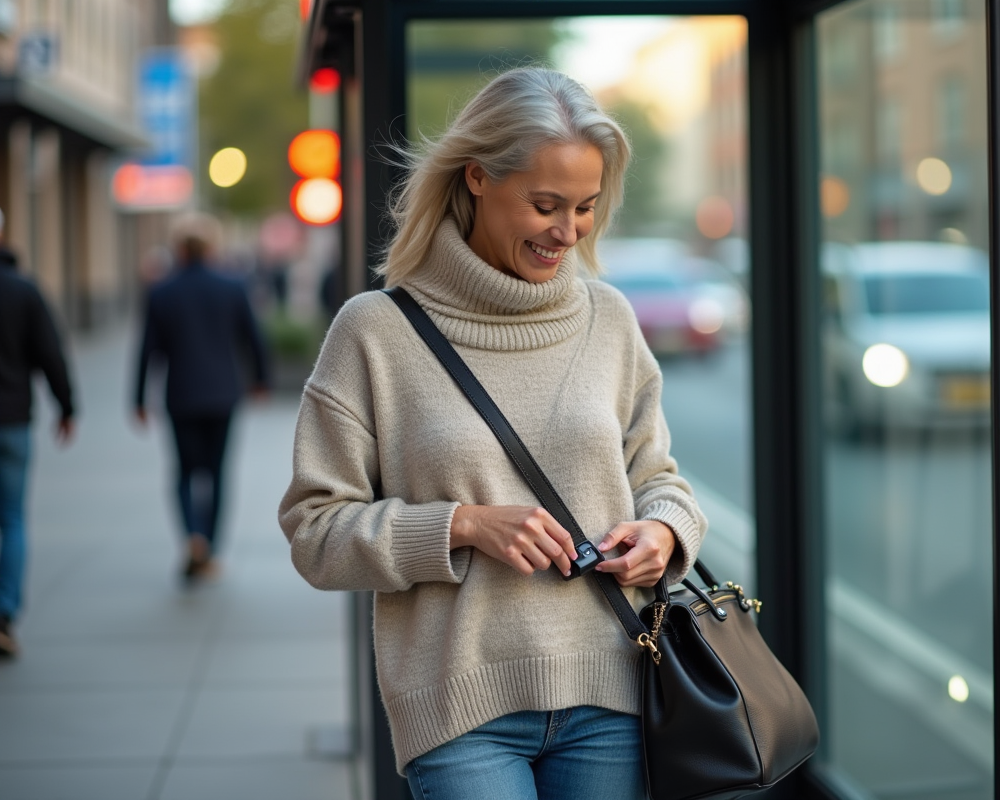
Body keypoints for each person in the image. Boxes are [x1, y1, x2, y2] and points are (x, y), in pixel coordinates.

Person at [279, 67, 706, 799]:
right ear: (477, 177)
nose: (567, 232)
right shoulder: (375, 331)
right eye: (544, 205)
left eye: (585, 208)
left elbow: (659, 479)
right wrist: (462, 525)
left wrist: (663, 536)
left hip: (612, 688)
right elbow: (315, 533)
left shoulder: (609, 320)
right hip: (458, 711)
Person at [135, 218, 270, 583]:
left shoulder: (161, 291)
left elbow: (147, 349)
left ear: (179, 250)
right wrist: (261, 380)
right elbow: (253, 337)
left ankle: (192, 537)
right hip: (223, 394)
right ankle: (209, 545)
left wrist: (138, 398)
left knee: (184, 471)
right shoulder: (231, 286)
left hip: (180, 394)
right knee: (217, 471)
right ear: (210, 249)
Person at [0, 213, 75, 657]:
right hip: (11, 421)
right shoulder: (23, 289)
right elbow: (51, 352)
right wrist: (67, 406)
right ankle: (5, 613)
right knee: (11, 517)